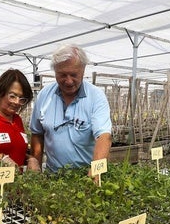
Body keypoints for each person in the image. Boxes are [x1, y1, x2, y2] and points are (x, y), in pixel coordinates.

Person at [28, 44, 112, 174]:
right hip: (53, 177)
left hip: (86, 175)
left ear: (83, 70)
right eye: (62, 75)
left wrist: (95, 173)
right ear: (55, 71)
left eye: (74, 74)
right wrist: (36, 170)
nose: (68, 81)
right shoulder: (45, 95)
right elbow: (37, 134)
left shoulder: (96, 96)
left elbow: (103, 136)